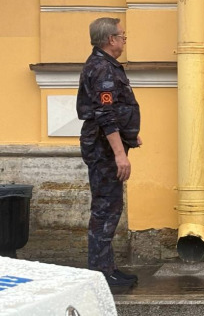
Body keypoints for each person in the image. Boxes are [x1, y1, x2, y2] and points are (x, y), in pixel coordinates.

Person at [77, 17, 142, 288]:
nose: (124, 40)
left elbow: (115, 108)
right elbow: (104, 114)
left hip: (106, 144)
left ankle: (107, 268)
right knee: (106, 208)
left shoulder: (105, 65)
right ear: (110, 40)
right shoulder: (103, 68)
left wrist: (129, 134)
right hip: (104, 149)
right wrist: (119, 153)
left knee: (109, 206)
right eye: (122, 36)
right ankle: (100, 274)